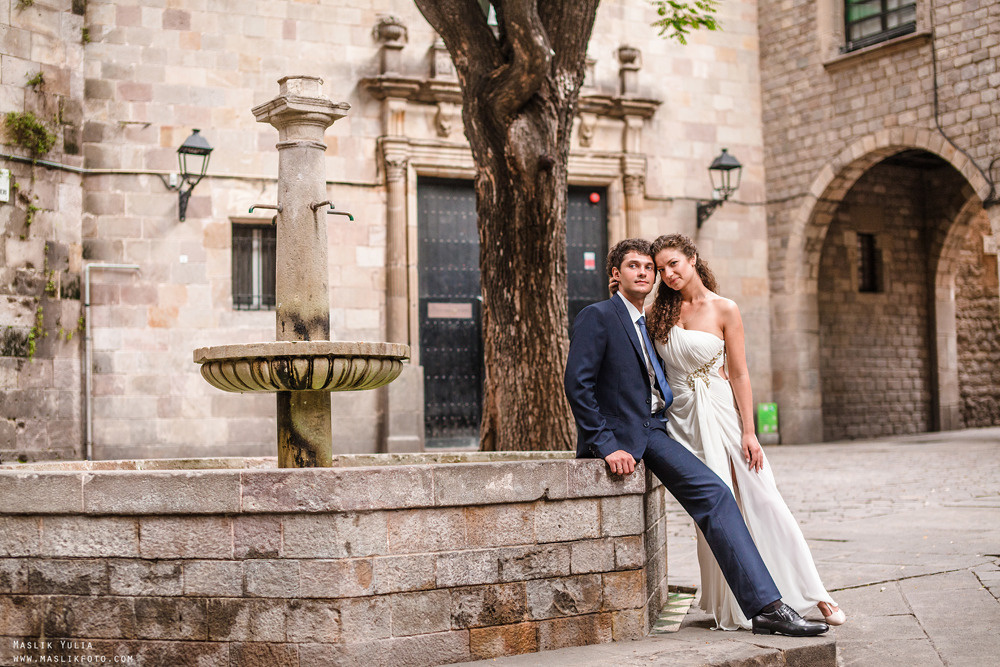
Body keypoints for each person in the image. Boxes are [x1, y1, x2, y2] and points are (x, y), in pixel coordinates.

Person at [565, 238, 828, 637]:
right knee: (718, 494)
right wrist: (606, 445)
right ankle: (768, 608)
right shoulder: (598, 316)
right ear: (615, 275)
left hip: (662, 427)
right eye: (634, 266)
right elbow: (578, 386)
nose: (645, 272)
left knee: (719, 494)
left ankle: (767, 608)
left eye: (648, 267)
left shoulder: (648, 320)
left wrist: (744, 426)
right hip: (632, 437)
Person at [645, 232, 845, 630]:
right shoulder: (656, 315)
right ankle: (739, 601)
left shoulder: (725, 309)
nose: (668, 274)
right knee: (717, 511)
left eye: (674, 264)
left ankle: (813, 591)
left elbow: (739, 373)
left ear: (693, 258)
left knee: (763, 498)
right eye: (661, 268)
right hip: (684, 421)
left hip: (723, 411)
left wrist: (749, 431)